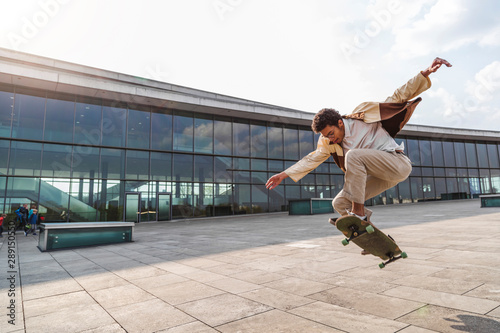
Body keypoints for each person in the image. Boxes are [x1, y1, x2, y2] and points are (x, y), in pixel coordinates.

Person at [266, 57, 452, 253]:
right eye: (326, 137)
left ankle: (359, 213)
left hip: (397, 163)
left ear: (339, 122)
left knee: (353, 156)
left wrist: (425, 73)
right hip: (379, 176)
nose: (331, 139)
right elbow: (312, 158)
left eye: (331, 133)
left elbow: (398, 96)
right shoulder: (329, 142)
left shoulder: (363, 116)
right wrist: (284, 174)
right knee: (339, 202)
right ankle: (368, 235)